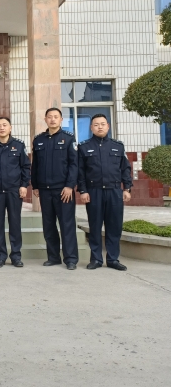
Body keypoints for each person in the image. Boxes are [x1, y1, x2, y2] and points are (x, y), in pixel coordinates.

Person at [78, 114, 132, 271]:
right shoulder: (84, 147)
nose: (99, 127)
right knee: (94, 226)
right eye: (96, 124)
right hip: (93, 192)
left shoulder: (118, 146)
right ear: (91, 128)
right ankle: (96, 259)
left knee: (114, 226)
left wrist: (127, 188)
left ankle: (113, 259)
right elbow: (80, 172)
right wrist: (83, 190)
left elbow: (125, 169)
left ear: (108, 126)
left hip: (114, 191)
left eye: (102, 124)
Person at [31, 107, 79, 270]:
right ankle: (53, 257)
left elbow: (74, 164)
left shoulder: (68, 139)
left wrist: (69, 186)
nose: (52, 119)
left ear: (61, 120)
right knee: (48, 225)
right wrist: (35, 185)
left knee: (67, 225)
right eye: (49, 117)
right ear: (45, 119)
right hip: (45, 190)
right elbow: (35, 165)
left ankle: (70, 259)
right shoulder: (39, 140)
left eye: (56, 117)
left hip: (63, 190)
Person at [0, 116, 31, 268]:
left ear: (10, 128)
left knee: (15, 223)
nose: (2, 128)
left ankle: (16, 256)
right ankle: (0, 256)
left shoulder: (19, 145)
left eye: (4, 125)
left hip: (14, 191)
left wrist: (24, 185)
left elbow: (26, 167)